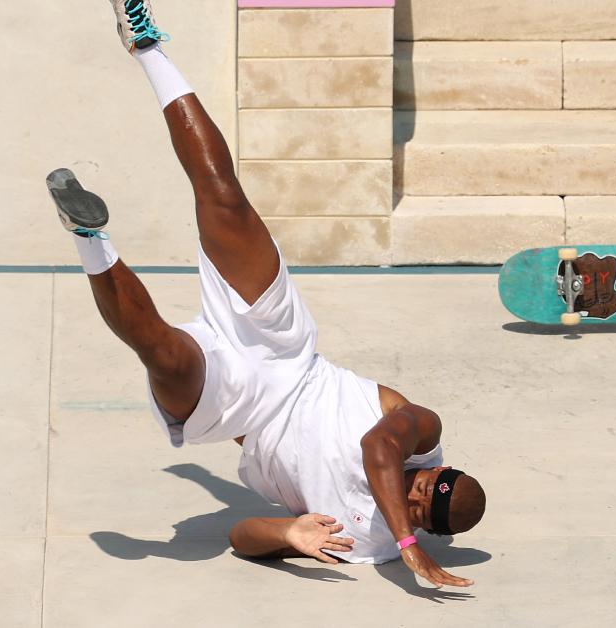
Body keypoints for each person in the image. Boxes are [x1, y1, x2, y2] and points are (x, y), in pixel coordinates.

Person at [46, 0, 485, 587]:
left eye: (419, 505)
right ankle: (147, 45)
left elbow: (239, 537)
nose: (414, 489)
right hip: (286, 348)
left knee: (165, 356)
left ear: (428, 523)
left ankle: (88, 235)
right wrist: (408, 544)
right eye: (428, 481)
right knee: (225, 198)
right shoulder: (421, 431)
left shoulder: (363, 544)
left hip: (242, 407)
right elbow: (380, 448)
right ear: (442, 466)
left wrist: (289, 533)